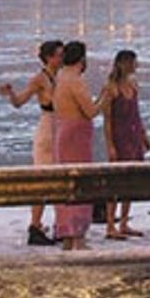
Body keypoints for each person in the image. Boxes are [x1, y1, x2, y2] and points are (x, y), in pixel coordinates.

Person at [0, 40, 65, 246]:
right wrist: (10, 94)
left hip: (60, 127)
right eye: (59, 55)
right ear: (49, 57)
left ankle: (57, 224)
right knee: (44, 177)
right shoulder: (40, 79)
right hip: (48, 128)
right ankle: (35, 225)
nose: (62, 58)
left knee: (59, 178)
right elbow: (20, 102)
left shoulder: (60, 76)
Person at [98, 49, 150, 239]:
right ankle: (111, 224)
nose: (135, 66)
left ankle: (125, 222)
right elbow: (107, 120)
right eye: (133, 62)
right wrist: (110, 145)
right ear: (123, 63)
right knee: (116, 181)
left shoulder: (133, 85)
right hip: (120, 137)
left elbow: (136, 113)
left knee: (131, 181)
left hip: (133, 135)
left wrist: (144, 136)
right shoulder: (111, 88)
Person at [52, 41, 99, 251]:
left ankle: (68, 234)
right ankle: (76, 234)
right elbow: (90, 111)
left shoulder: (60, 77)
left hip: (64, 131)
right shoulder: (75, 80)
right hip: (75, 135)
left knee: (66, 181)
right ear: (82, 59)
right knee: (78, 181)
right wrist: (106, 97)